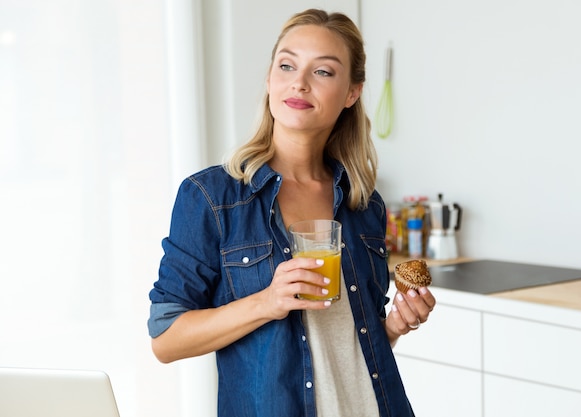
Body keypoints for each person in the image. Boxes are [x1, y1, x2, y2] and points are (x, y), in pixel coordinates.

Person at [148, 8, 436, 417]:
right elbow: (165, 337)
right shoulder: (212, 197)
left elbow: (349, 343)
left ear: (352, 92)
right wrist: (268, 301)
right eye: (287, 65)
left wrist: (394, 326)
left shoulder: (364, 204)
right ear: (269, 79)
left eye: (323, 72)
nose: (299, 82)